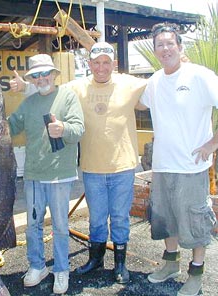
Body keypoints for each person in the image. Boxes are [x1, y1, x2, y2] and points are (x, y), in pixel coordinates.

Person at [10, 42, 147, 284]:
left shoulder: (132, 83)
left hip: (124, 166)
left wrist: (185, 68)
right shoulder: (77, 87)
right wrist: (24, 88)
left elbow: (162, 85)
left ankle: (120, 264)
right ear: (90, 64)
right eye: (96, 62)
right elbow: (49, 91)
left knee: (119, 217)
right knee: (96, 218)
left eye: (106, 62)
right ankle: (96, 260)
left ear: (113, 63)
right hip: (92, 167)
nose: (101, 67)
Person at [137, 23, 218, 296]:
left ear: (180, 47)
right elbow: (137, 102)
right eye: (160, 44)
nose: (165, 48)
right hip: (162, 165)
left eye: (170, 43)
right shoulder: (154, 80)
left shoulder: (200, 76)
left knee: (196, 222)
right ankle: (170, 264)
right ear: (156, 50)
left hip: (192, 168)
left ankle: (196, 274)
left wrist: (212, 143)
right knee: (166, 219)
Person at [8, 53, 84, 294]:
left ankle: (61, 270)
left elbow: (79, 129)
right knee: (33, 225)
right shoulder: (29, 103)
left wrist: (63, 128)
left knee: (60, 225)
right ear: (33, 78)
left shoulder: (68, 96)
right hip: (32, 175)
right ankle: (37, 266)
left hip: (60, 175)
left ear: (53, 74)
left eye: (45, 73)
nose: (42, 78)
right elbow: (10, 126)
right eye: (36, 75)